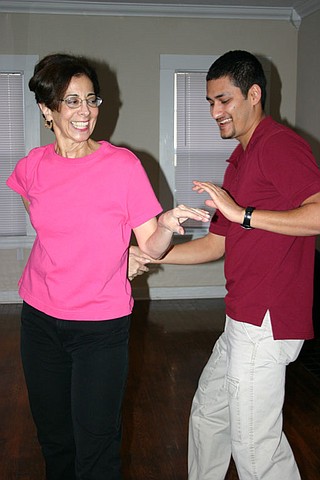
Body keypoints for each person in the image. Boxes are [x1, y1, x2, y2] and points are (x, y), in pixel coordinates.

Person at [6, 53, 210, 480]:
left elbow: (150, 247)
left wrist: (168, 226)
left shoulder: (122, 166)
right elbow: (47, 229)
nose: (86, 112)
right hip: (40, 320)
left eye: (91, 100)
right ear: (47, 109)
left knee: (97, 445)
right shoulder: (31, 168)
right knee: (54, 439)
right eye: (72, 101)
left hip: (100, 327)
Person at [132, 50, 320, 479]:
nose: (215, 111)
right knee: (209, 416)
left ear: (254, 94)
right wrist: (150, 251)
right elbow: (216, 244)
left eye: (224, 100)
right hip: (241, 318)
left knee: (256, 450)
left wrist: (243, 214)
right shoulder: (240, 157)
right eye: (210, 103)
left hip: (266, 321)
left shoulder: (278, 145)